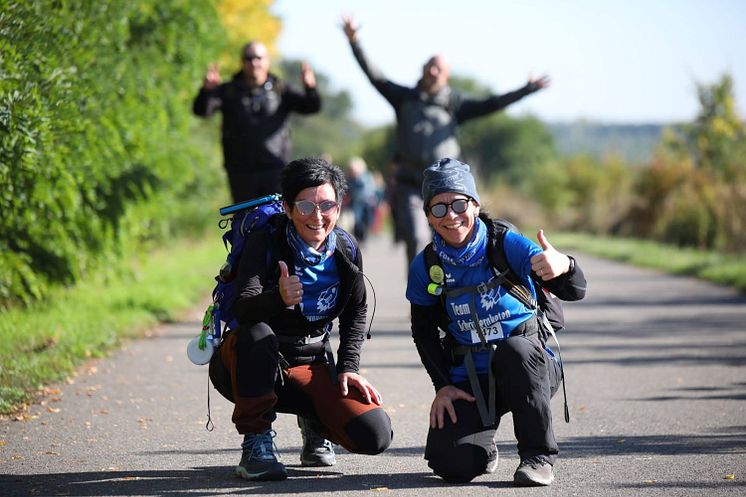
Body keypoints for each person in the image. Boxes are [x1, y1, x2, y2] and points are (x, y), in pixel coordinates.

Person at [405, 158, 586, 486]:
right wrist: (443, 385)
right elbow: (423, 331)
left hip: (530, 367)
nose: (451, 216)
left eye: (459, 203)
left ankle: (538, 456)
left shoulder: (505, 244)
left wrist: (565, 265)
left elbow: (575, 290)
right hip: (472, 378)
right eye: (439, 208)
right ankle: (483, 448)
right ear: (429, 215)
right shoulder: (426, 265)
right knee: (452, 465)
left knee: (514, 350)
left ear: (474, 205)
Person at [212, 156, 393, 481]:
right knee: (258, 335)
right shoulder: (265, 241)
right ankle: (256, 444)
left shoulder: (346, 249)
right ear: (287, 207)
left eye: (327, 205)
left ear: (339, 207)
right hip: (245, 364)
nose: (318, 216)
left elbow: (355, 309)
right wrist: (277, 299)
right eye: (305, 206)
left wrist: (348, 367)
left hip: (310, 362)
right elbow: (243, 308)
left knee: (374, 435)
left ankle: (315, 423)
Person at [342, 16, 550, 265]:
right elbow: (374, 75)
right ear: (422, 68)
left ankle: (449, 290)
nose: (432, 71)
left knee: (451, 237)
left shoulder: (454, 104)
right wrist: (354, 41)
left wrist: (526, 89)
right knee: (417, 237)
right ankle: (421, 293)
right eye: (429, 66)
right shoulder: (404, 98)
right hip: (411, 184)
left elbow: (491, 104)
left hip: (445, 185)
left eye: (438, 69)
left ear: (446, 76)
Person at [192, 41, 321, 203]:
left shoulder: (281, 89)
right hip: (240, 172)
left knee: (276, 220)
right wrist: (206, 91)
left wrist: (310, 88)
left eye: (258, 58)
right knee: (246, 223)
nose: (254, 62)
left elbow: (311, 107)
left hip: (276, 170)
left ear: (267, 61)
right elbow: (202, 111)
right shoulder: (229, 90)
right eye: (248, 58)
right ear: (242, 62)